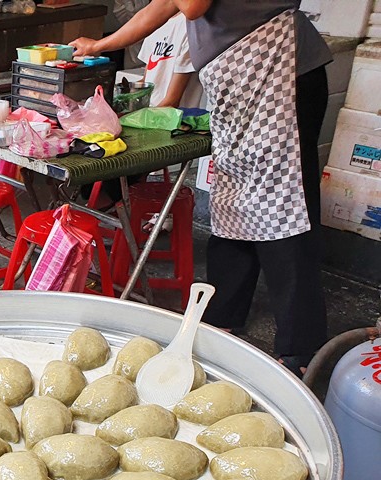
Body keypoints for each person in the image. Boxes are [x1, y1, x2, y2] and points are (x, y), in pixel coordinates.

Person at [73, 0, 331, 376]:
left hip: (276, 74)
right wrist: (100, 45)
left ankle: (302, 350)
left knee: (283, 208)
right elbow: (163, 5)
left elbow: (191, 6)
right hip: (240, 86)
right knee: (233, 201)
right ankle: (223, 318)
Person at [73, 12, 203, 109]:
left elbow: (172, 102)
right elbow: (146, 81)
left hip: (178, 123)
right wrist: (119, 97)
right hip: (151, 113)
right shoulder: (156, 24)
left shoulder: (193, 28)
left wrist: (135, 118)